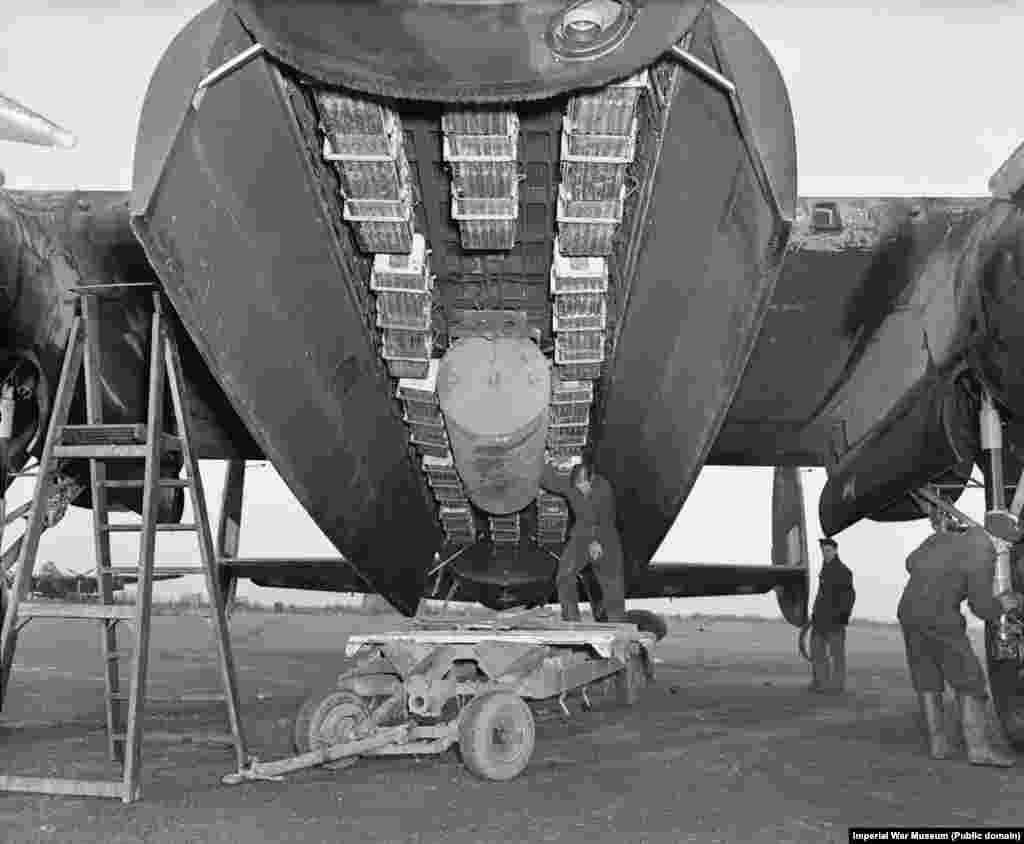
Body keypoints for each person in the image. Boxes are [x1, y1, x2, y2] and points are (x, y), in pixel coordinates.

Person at [898, 502, 1022, 766]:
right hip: (939, 617)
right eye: (1008, 546)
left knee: (927, 676)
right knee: (971, 682)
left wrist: (940, 562)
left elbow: (911, 563)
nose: (1007, 551)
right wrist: (1008, 603)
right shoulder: (982, 553)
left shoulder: (942, 538)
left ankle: (938, 744)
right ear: (998, 539)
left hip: (909, 613)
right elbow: (981, 607)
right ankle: (978, 750)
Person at [539, 456, 626, 623]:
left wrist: (595, 542)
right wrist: (547, 463)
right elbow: (548, 481)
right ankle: (571, 620)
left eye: (584, 485)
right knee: (564, 575)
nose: (581, 489)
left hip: (605, 538)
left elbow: (605, 518)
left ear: (592, 479)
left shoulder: (603, 487)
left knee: (612, 585)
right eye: (578, 486)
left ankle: (618, 624)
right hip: (581, 537)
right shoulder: (571, 486)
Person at [808, 537, 856, 694]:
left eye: (828, 551)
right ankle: (820, 683)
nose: (825, 554)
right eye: (823, 551)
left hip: (835, 622)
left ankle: (837, 686)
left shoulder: (844, 571)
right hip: (820, 620)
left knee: (837, 656)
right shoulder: (824, 570)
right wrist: (814, 614)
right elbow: (820, 595)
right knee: (817, 653)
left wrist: (844, 616)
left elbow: (850, 596)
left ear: (835, 551)